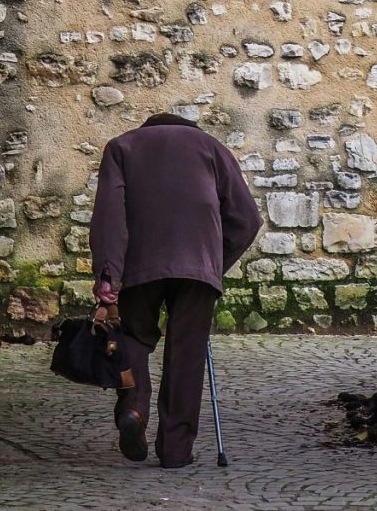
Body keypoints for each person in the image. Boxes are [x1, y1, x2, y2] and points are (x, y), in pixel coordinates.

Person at [89, 112, 263, 468]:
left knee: (134, 338)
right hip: (198, 265)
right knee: (187, 353)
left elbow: (109, 215)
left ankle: (134, 409)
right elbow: (247, 219)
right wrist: (215, 262)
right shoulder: (212, 148)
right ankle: (175, 451)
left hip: (140, 264)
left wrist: (109, 274)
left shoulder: (122, 147)